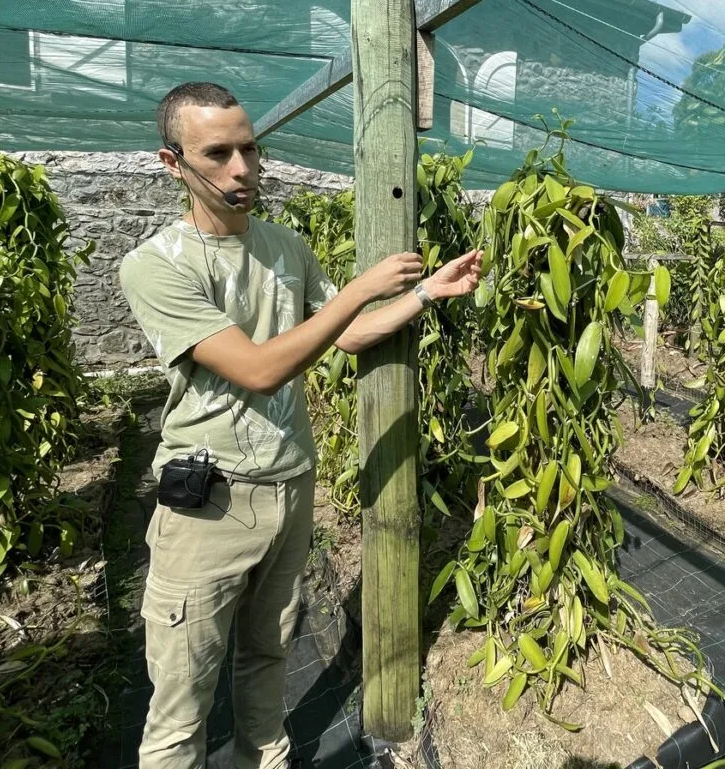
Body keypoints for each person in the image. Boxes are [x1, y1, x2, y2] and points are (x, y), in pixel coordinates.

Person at [118, 81, 482, 769]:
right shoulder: (155, 266)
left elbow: (345, 334)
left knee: (268, 654)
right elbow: (258, 369)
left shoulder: (285, 245)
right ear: (173, 163)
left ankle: (266, 758)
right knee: (183, 696)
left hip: (289, 486)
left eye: (250, 149)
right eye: (217, 153)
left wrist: (425, 292)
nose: (242, 169)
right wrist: (361, 288)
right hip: (211, 503)